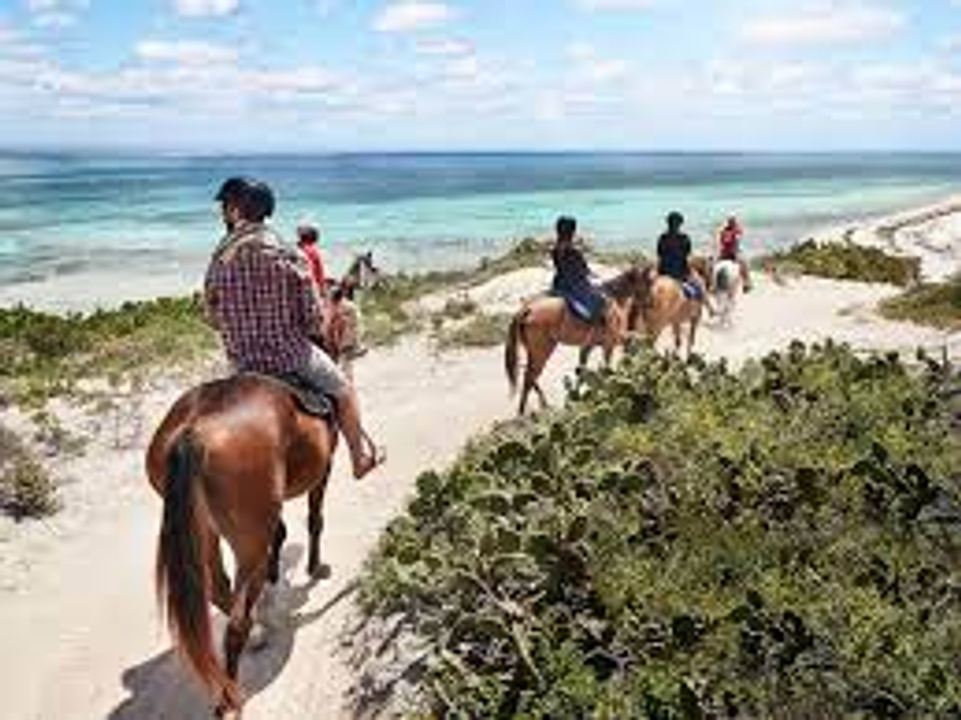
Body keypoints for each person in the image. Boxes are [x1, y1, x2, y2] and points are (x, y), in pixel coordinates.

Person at [204, 177, 384, 479]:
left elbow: (211, 315)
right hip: (292, 357)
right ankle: (360, 458)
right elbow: (314, 319)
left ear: (236, 211)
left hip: (240, 364)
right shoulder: (290, 256)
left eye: (225, 207)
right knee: (343, 389)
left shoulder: (218, 261)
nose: (223, 213)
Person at [550, 215, 606, 325]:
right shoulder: (574, 252)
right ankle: (594, 326)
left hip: (559, 283)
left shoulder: (555, 249)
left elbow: (562, 268)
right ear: (572, 232)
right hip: (574, 285)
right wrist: (589, 274)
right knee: (600, 301)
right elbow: (583, 270)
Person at [656, 211, 709, 303]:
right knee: (699, 284)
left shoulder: (662, 237)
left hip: (663, 271)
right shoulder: (684, 238)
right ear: (679, 224)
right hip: (681, 272)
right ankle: (709, 307)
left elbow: (659, 253)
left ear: (668, 224)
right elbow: (687, 254)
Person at [716, 215, 752, 292]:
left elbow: (721, 243)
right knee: (744, 263)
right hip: (733, 253)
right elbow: (737, 239)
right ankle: (746, 283)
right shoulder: (735, 231)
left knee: (714, 264)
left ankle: (713, 284)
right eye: (733, 222)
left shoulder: (723, 231)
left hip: (723, 253)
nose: (733, 223)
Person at [296, 223, 328, 294]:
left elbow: (319, 272)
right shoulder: (313, 251)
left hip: (303, 284)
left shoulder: (303, 250)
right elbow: (320, 272)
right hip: (309, 285)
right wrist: (322, 289)